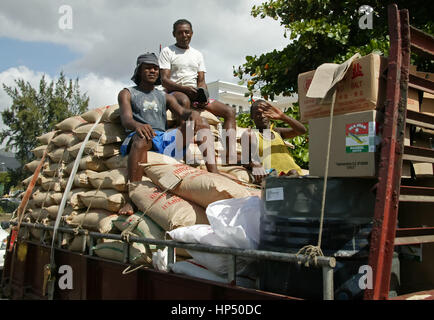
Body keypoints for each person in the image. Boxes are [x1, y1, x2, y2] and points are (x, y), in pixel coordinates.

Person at [118, 52, 218, 215]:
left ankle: (214, 173)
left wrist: (192, 114)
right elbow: (126, 119)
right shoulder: (127, 93)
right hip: (139, 136)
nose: (153, 71)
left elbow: (181, 112)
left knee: (202, 123)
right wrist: (138, 125)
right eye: (148, 68)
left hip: (162, 138)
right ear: (139, 71)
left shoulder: (163, 96)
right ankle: (133, 198)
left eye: (156, 68)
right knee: (142, 138)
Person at [159, 19, 237, 164]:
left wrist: (203, 96)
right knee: (184, 101)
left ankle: (230, 155)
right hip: (175, 91)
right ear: (174, 34)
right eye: (180, 32)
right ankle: (184, 152)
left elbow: (201, 80)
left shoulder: (197, 54)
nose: (184, 35)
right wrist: (185, 89)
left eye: (187, 32)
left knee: (229, 111)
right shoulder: (167, 51)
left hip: (195, 93)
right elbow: (164, 80)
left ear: (192, 33)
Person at [241, 99, 307, 184]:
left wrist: (283, 117)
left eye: (265, 112)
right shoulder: (250, 134)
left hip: (297, 174)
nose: (262, 115)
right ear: (251, 116)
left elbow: (302, 131)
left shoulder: (277, 132)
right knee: (293, 173)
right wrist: (255, 164)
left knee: (294, 172)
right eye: (257, 113)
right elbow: (245, 160)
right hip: (276, 177)